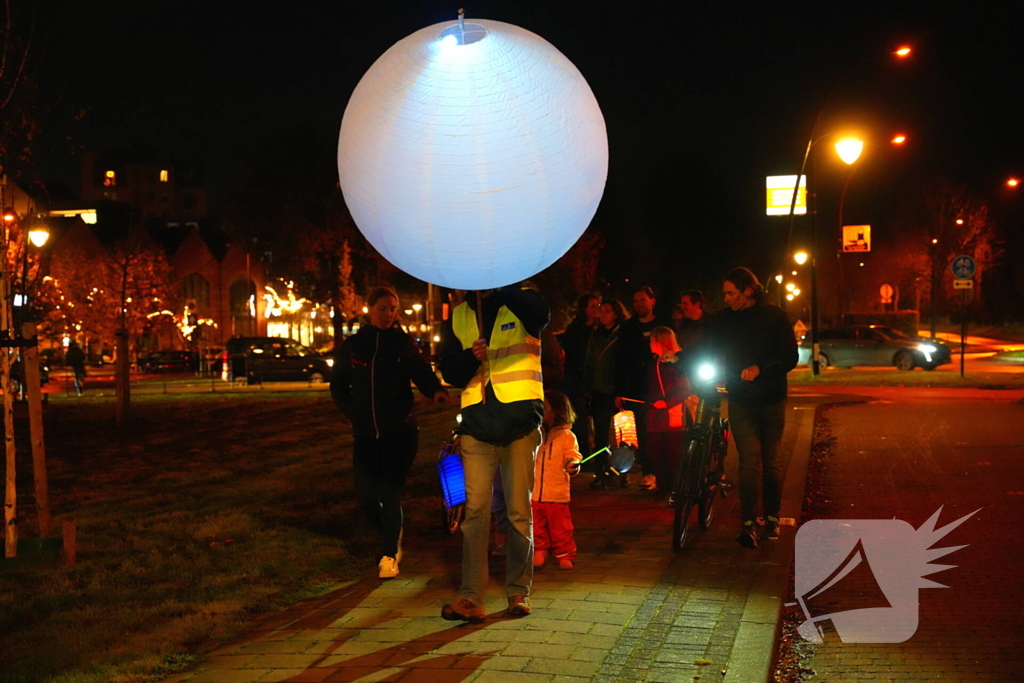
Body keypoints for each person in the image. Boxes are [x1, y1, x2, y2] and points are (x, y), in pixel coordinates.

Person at [439, 284, 549, 622]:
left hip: (519, 425)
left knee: (517, 512)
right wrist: (467, 358)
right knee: (475, 513)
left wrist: (505, 288)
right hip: (477, 427)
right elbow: (449, 371)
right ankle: (471, 596)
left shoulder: (523, 300)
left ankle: (518, 591)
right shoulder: (458, 314)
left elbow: (540, 318)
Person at [331, 287, 450, 579]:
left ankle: (389, 555)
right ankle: (392, 529)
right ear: (369, 309)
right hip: (366, 434)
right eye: (383, 308)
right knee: (366, 497)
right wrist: (354, 412)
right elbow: (338, 386)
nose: (388, 314)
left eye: (393, 309)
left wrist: (435, 391)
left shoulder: (402, 343)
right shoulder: (354, 346)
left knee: (390, 491)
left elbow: (422, 373)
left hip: (400, 431)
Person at [705, 268, 797, 549]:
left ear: (748, 290)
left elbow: (789, 356)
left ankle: (771, 518)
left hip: (770, 400)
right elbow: (706, 342)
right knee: (747, 461)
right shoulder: (724, 320)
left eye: (731, 293)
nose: (727, 298)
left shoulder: (775, 317)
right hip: (741, 399)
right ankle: (748, 522)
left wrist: (761, 368)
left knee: (770, 462)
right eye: (725, 293)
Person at [617, 286, 671, 490]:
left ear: (652, 301)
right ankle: (649, 472)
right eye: (636, 301)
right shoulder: (629, 328)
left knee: (662, 432)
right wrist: (620, 390)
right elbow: (621, 360)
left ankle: (665, 472)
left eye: (643, 300)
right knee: (643, 432)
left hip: (661, 387)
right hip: (637, 389)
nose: (639, 304)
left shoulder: (663, 324)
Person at [532, 390, 583, 570]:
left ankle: (565, 553)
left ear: (556, 411)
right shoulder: (537, 433)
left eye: (544, 406)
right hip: (535, 491)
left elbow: (573, 455)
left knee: (560, 527)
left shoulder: (567, 436)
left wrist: (572, 464)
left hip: (556, 492)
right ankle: (540, 550)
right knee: (536, 526)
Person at [584, 299, 628, 489]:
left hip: (618, 391)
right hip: (600, 391)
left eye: (608, 311)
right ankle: (601, 471)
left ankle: (623, 471)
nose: (603, 315)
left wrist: (623, 389)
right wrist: (588, 386)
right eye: (601, 311)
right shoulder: (596, 336)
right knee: (601, 435)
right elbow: (590, 362)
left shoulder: (624, 334)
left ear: (616, 313)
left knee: (622, 434)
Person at [644, 327, 690, 498]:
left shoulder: (674, 364)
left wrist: (666, 402)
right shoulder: (654, 363)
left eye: (652, 341)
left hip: (672, 418)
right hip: (655, 416)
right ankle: (664, 487)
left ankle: (675, 488)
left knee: (673, 456)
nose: (649, 344)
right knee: (656, 453)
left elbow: (685, 389)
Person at [559, 294, 601, 454]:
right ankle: (584, 452)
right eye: (592, 306)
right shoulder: (576, 329)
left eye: (598, 305)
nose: (596, 309)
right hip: (578, 379)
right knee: (581, 417)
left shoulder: (600, 329)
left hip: (596, 378)